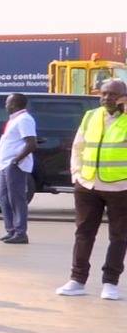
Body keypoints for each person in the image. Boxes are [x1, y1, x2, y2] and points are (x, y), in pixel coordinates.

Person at [56, 78, 127, 300]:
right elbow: (78, 147)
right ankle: (77, 280)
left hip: (120, 187)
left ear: (123, 97)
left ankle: (110, 283)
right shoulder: (90, 116)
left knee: (119, 236)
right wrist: (76, 175)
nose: (107, 98)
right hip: (88, 185)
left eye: (113, 94)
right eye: (104, 93)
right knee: (84, 233)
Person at [0, 93, 38, 244]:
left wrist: (16, 160)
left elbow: (31, 143)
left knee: (16, 199)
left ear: (14, 104)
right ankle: (11, 230)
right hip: (5, 164)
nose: (5, 105)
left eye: (8, 103)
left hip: (15, 165)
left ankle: (21, 233)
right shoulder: (14, 120)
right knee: (4, 198)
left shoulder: (24, 119)